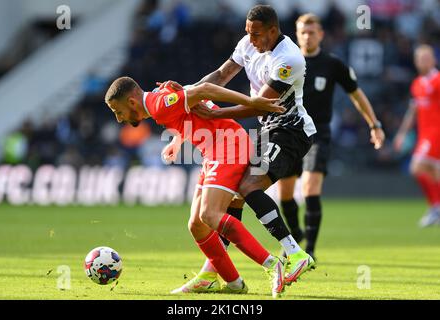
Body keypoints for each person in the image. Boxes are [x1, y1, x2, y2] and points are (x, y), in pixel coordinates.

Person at [172, 5, 317, 293]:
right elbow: (222, 74)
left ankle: (295, 253)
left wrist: (215, 114)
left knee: (249, 186)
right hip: (268, 130)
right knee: (233, 197)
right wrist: (188, 94)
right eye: (248, 33)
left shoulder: (289, 59)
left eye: (257, 34)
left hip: (291, 131)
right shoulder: (248, 42)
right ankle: (212, 272)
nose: (251, 40)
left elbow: (258, 103)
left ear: (273, 31)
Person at [104, 76, 289, 298]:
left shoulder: (158, 105)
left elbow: (205, 90)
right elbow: (188, 107)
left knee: (210, 214)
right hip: (213, 152)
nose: (118, 118)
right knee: (197, 225)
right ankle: (232, 282)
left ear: (132, 102)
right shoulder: (158, 102)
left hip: (229, 146)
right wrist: (178, 140)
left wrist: (253, 103)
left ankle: (272, 264)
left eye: (118, 111)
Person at [274, 13, 386, 260]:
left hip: (318, 135)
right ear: (297, 34)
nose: (307, 36)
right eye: (303, 31)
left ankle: (310, 250)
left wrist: (374, 124)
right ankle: (295, 238)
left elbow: (356, 95)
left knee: (311, 187)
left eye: (312, 32)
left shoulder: (333, 64)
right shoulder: (286, 63)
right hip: (289, 134)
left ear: (321, 35)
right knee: (285, 193)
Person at [394, 44, 440, 227]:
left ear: (433, 60)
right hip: (424, 134)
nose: (422, 61)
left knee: (416, 167)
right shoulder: (417, 83)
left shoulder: (437, 80)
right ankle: (436, 207)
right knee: (433, 173)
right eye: (420, 58)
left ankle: (436, 207)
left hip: (436, 132)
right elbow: (413, 111)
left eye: (426, 58)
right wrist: (402, 134)